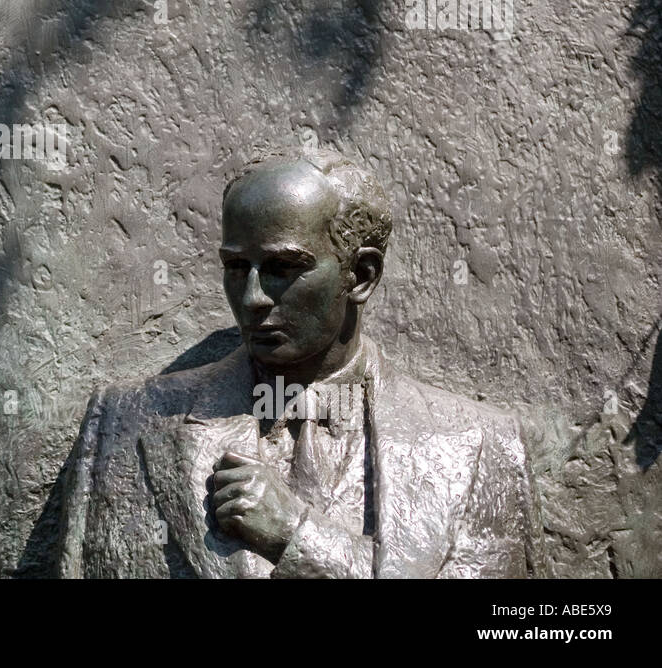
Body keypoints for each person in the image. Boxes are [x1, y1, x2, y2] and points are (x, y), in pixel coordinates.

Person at [55, 147, 546, 577]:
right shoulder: (128, 424)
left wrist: (297, 535)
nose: (251, 299)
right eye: (235, 268)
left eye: (282, 269)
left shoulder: (476, 446)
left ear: (362, 274)